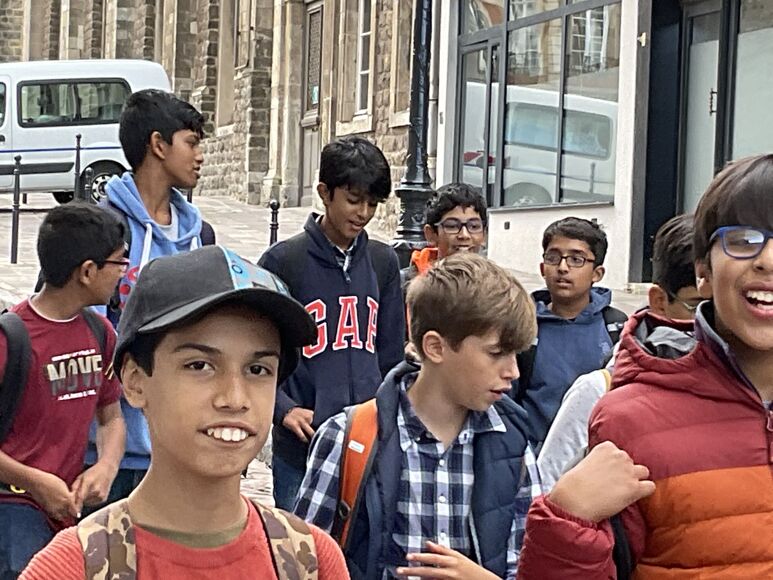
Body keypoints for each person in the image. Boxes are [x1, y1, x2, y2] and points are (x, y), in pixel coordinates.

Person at [22, 246, 349, 579]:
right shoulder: (73, 568)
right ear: (134, 381)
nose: (235, 399)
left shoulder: (310, 560)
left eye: (257, 369)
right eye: (200, 365)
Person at [518, 154, 773, 578]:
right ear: (704, 271)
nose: (768, 259)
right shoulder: (628, 421)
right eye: (744, 239)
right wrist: (566, 523)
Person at [295, 253, 541, 579]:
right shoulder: (349, 437)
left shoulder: (513, 443)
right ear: (436, 347)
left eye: (516, 355)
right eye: (496, 353)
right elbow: (305, 564)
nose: (512, 371)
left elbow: (529, 564)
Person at [85, 89, 215, 509]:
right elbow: (78, 330)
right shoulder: (101, 227)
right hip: (105, 455)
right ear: (158, 145)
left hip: (177, 450)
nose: (200, 156)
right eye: (191, 143)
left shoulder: (200, 236)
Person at [259, 136, 405, 510]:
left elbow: (391, 354)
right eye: (354, 200)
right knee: (299, 540)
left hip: (367, 441)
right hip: (302, 445)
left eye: (372, 203)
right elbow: (255, 354)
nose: (363, 213)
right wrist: (283, 408)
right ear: (325, 193)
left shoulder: (384, 262)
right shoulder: (282, 262)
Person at [0, 204, 126, 578]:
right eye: (118, 262)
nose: (124, 272)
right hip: (13, 511)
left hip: (67, 510)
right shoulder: (11, 338)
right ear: (87, 272)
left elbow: (111, 417)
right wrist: (35, 482)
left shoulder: (100, 332)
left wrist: (106, 466)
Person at [537, 214, 703, 490]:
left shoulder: (755, 390)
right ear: (659, 301)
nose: (715, 324)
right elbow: (547, 491)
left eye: (576, 259)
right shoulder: (599, 390)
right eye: (698, 307)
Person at [513, 216, 626, 450]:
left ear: (597, 273)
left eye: (576, 259)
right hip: (534, 458)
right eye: (553, 257)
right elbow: (506, 404)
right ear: (542, 268)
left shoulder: (616, 328)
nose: (563, 268)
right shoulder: (522, 326)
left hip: (598, 457)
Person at [401, 182, 487, 288]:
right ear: (431, 234)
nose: (464, 235)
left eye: (474, 226)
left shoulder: (495, 287)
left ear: (484, 234)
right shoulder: (405, 284)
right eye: (452, 226)